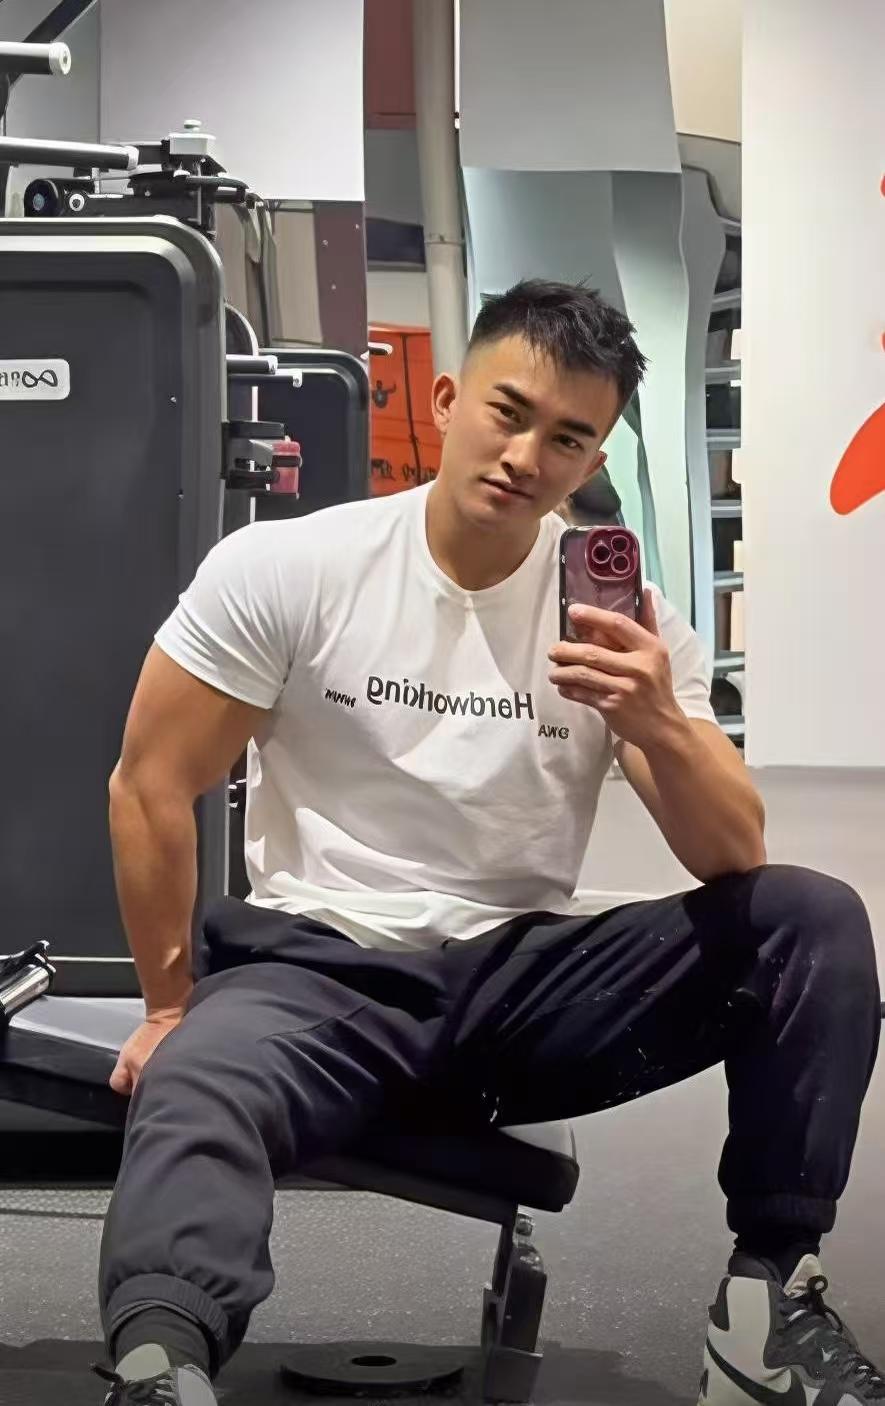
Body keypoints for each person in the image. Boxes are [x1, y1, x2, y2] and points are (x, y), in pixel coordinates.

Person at [94, 281, 882, 1406]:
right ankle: (161, 1360)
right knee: (197, 1073)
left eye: (567, 437)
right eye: (508, 413)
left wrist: (655, 717)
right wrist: (167, 1005)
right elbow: (150, 783)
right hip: (321, 975)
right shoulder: (292, 567)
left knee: (811, 920)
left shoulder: (624, 621)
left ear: (593, 458)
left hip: (522, 988)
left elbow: (731, 855)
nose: (525, 456)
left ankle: (765, 1309)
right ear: (447, 400)